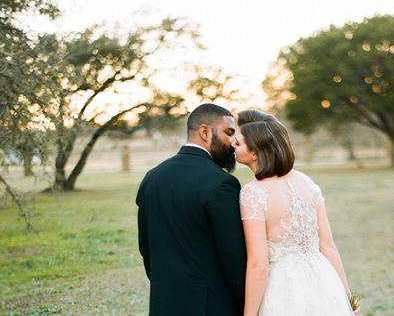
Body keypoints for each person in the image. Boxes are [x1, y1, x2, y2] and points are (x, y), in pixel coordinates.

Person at [232, 110, 357, 316]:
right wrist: (347, 299)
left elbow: (258, 264)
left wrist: (249, 314)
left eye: (238, 143)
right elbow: (328, 245)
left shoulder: (253, 193)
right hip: (323, 282)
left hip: (284, 290)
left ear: (254, 152)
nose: (232, 147)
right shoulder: (307, 183)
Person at [136, 103, 246, 316]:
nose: (234, 142)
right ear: (205, 132)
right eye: (229, 133)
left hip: (163, 303)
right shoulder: (222, 183)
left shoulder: (152, 177)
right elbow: (234, 258)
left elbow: (146, 247)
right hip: (211, 307)